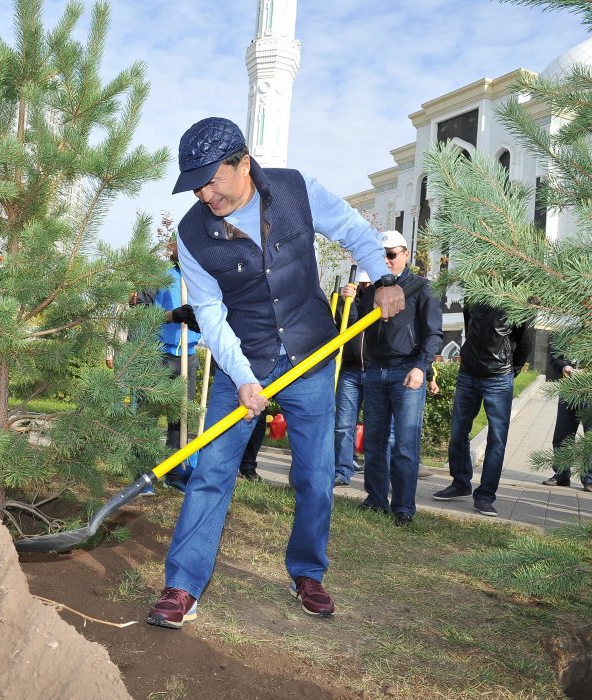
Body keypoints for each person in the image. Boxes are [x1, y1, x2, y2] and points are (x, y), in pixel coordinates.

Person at [145, 117, 404, 628]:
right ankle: (182, 585)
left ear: (243, 163)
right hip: (243, 360)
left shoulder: (295, 189)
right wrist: (242, 378)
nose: (204, 193)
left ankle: (307, 572)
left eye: (212, 179)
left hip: (310, 353)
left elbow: (354, 230)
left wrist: (383, 277)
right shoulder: (192, 235)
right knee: (212, 473)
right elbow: (211, 315)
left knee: (314, 475)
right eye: (194, 183)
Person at [356, 231, 442, 526]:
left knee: (405, 444)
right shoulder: (371, 291)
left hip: (406, 371)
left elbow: (433, 334)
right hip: (375, 370)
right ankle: (375, 499)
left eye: (392, 254)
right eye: (382, 256)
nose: (387, 261)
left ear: (406, 254)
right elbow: (356, 330)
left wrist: (421, 367)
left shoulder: (421, 288)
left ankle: (404, 507)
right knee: (374, 441)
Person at [433, 302, 532, 516]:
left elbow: (525, 343)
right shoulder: (473, 297)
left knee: (496, 439)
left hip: (498, 377)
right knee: (458, 432)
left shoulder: (516, 301)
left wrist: (510, 370)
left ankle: (485, 495)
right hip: (468, 374)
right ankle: (460, 483)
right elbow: (470, 330)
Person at [130, 239, 202, 493]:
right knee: (147, 417)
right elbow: (140, 312)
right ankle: (144, 475)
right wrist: (173, 316)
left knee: (179, 419)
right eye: (179, 245)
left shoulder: (202, 276)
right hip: (159, 354)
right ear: (172, 247)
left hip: (188, 357)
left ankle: (174, 473)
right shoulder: (159, 275)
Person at [333, 268, 372, 487]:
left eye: (367, 285)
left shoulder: (382, 295)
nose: (363, 288)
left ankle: (378, 474)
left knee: (376, 426)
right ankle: (342, 470)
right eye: (361, 285)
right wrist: (347, 301)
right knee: (343, 425)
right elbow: (348, 327)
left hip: (375, 369)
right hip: (349, 369)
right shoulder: (346, 300)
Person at [542, 355, 592, 493]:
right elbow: (555, 356)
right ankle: (561, 475)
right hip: (568, 390)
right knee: (562, 435)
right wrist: (564, 366)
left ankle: (590, 479)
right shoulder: (567, 333)